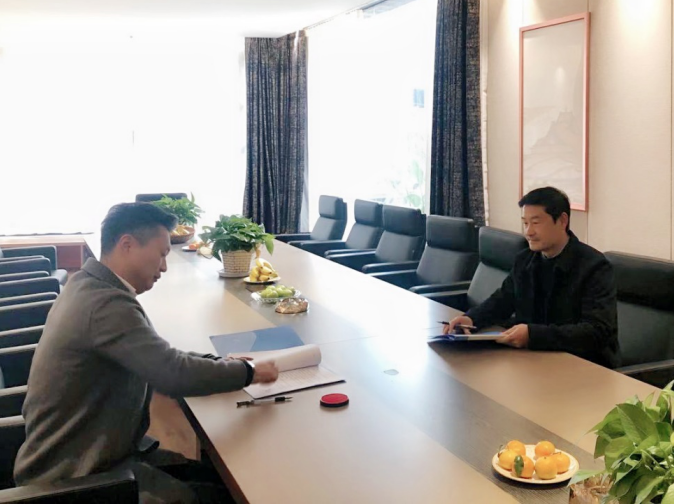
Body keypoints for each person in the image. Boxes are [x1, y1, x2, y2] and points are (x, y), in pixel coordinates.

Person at [14, 202, 279, 503]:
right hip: (79, 480)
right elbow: (173, 374)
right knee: (221, 493)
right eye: (162, 254)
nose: (164, 267)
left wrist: (223, 364)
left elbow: (161, 357)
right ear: (127, 244)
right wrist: (249, 372)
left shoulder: (90, 285)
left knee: (214, 479)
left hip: (94, 457)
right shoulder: (106, 305)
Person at [443, 187, 620, 368]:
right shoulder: (525, 259)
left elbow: (596, 331)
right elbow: (502, 300)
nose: (528, 232)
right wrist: (472, 319)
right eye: (525, 223)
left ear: (562, 220)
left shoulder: (594, 267)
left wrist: (533, 335)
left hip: (582, 367)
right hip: (533, 360)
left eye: (536, 223)